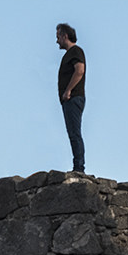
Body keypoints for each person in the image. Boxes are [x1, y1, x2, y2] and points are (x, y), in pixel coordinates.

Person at [56, 22, 86, 173]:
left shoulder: (76, 51)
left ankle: (79, 167)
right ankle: (78, 166)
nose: (57, 41)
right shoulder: (70, 54)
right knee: (72, 133)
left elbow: (79, 70)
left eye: (58, 37)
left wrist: (68, 90)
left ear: (64, 36)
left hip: (73, 98)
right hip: (69, 99)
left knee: (75, 133)